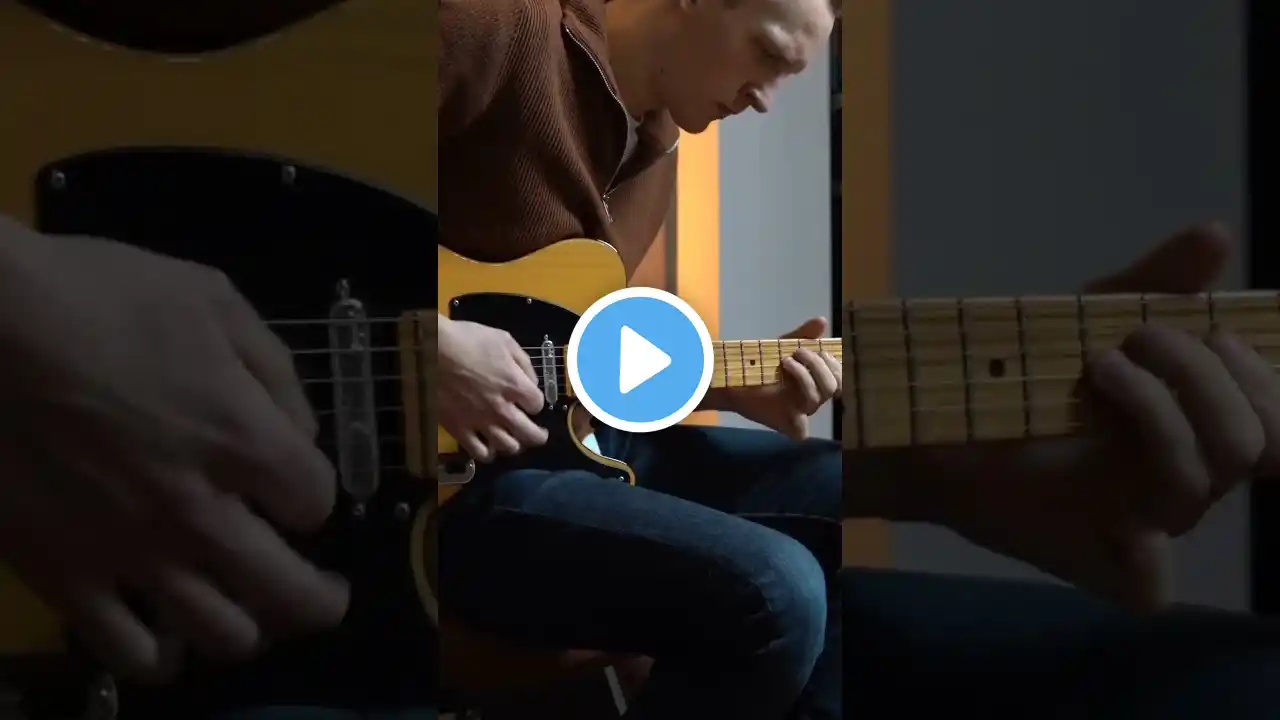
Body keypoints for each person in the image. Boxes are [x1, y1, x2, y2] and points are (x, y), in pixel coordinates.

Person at [436, 0, 1280, 718]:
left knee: (824, 494)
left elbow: (562, 363)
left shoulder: (653, 152)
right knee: (777, 590)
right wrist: (430, 346)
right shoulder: (491, 26)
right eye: (769, 54)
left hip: (554, 450)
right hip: (455, 484)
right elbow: (348, 216)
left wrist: (729, 384)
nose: (766, 98)